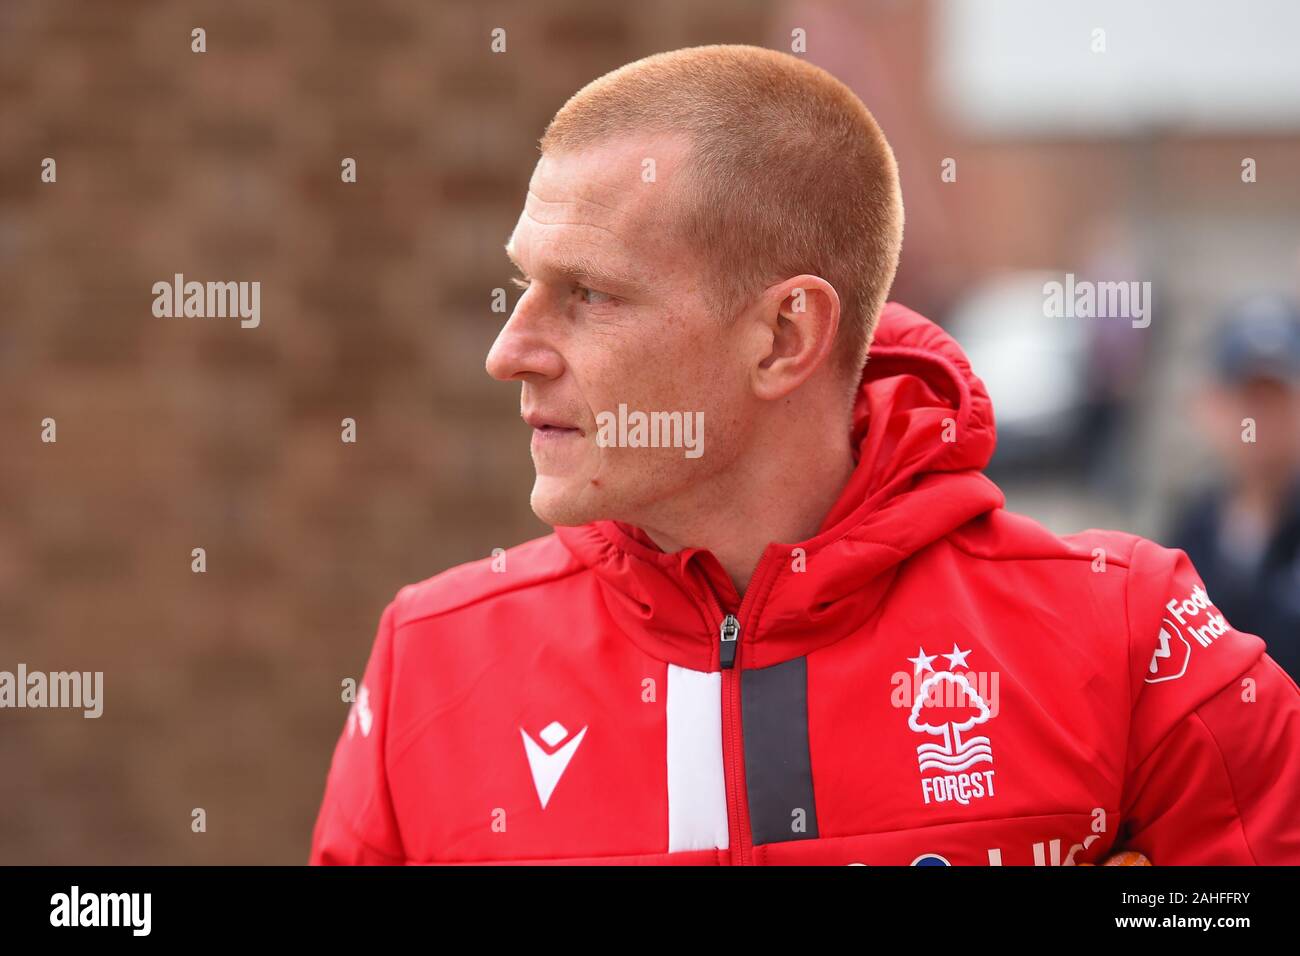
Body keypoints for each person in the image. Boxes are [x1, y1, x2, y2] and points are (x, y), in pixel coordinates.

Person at [310, 46, 1300, 865]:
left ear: (784, 336)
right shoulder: (430, 657)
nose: (507, 351)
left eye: (590, 294)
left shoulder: (1129, 635)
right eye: (524, 284)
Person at [1171, 296, 1300, 684]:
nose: (1260, 420)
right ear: (1214, 407)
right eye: (1248, 399)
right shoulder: (1189, 537)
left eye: (1275, 399)